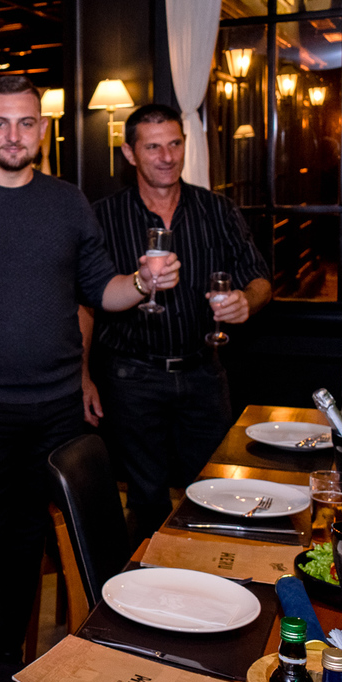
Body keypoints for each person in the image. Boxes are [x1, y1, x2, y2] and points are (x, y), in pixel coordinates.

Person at [0, 75, 179, 662]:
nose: (13, 135)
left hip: (57, 412)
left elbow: (101, 292)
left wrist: (141, 281)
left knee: (46, 540)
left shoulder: (67, 200)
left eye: (26, 122)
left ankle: (23, 662)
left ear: (42, 129)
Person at [90, 104, 271, 544]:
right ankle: (145, 597)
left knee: (213, 490)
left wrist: (246, 301)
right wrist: (81, 377)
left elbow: (260, 278)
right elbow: (84, 301)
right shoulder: (102, 216)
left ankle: (212, 586)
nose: (166, 156)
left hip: (203, 372)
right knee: (146, 500)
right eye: (153, 146)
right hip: (130, 376)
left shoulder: (217, 210)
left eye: (174, 144)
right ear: (130, 154)